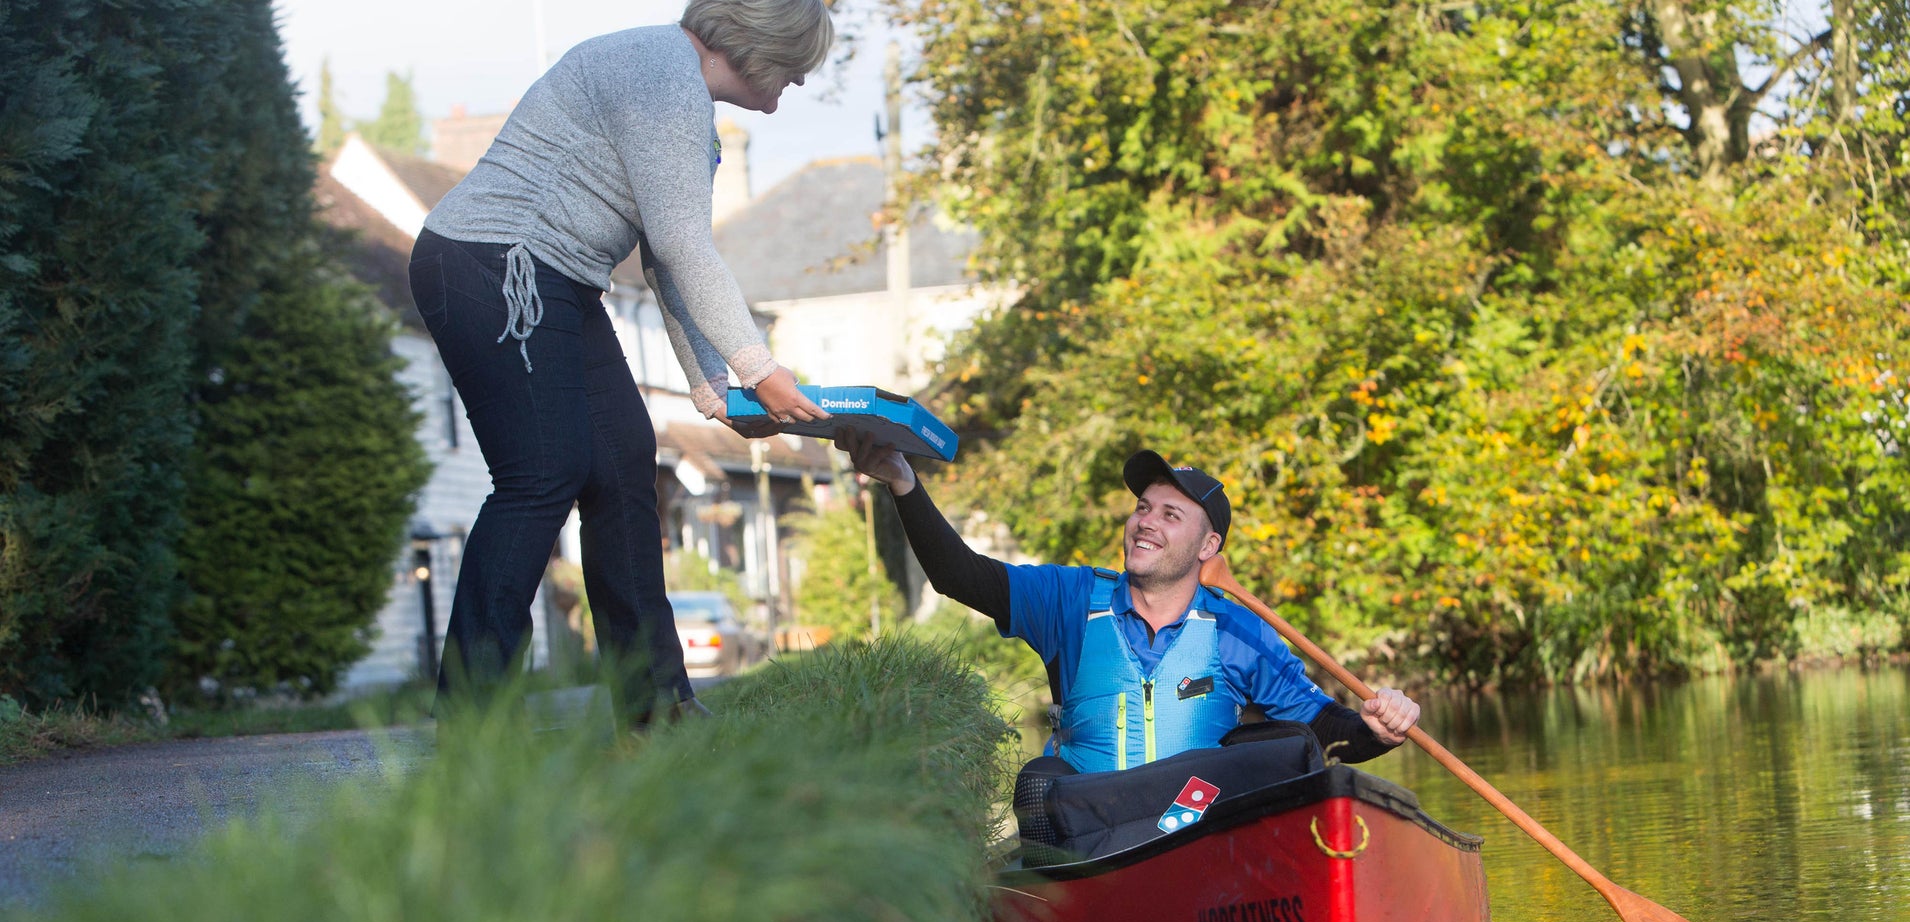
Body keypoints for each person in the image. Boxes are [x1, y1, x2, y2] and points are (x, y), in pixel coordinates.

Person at [407, 0, 836, 724]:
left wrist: (716, 393)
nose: (796, 83)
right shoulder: (661, 69)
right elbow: (682, 246)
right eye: (798, 66)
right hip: (495, 263)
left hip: (559, 278)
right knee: (545, 471)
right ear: (767, 42)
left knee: (624, 461)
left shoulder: (684, 99)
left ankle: (656, 710)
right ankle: (470, 722)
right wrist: (759, 367)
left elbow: (669, 263)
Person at [836, 429, 1421, 773]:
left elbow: (1324, 728)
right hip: (1093, 836)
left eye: (1171, 515)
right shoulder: (1070, 599)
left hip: (1199, 837)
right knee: (1038, 779)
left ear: (1207, 545)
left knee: (1284, 746)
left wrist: (1380, 729)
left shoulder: (1237, 631)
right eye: (1143, 507)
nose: (1147, 522)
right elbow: (959, 575)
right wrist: (903, 483)